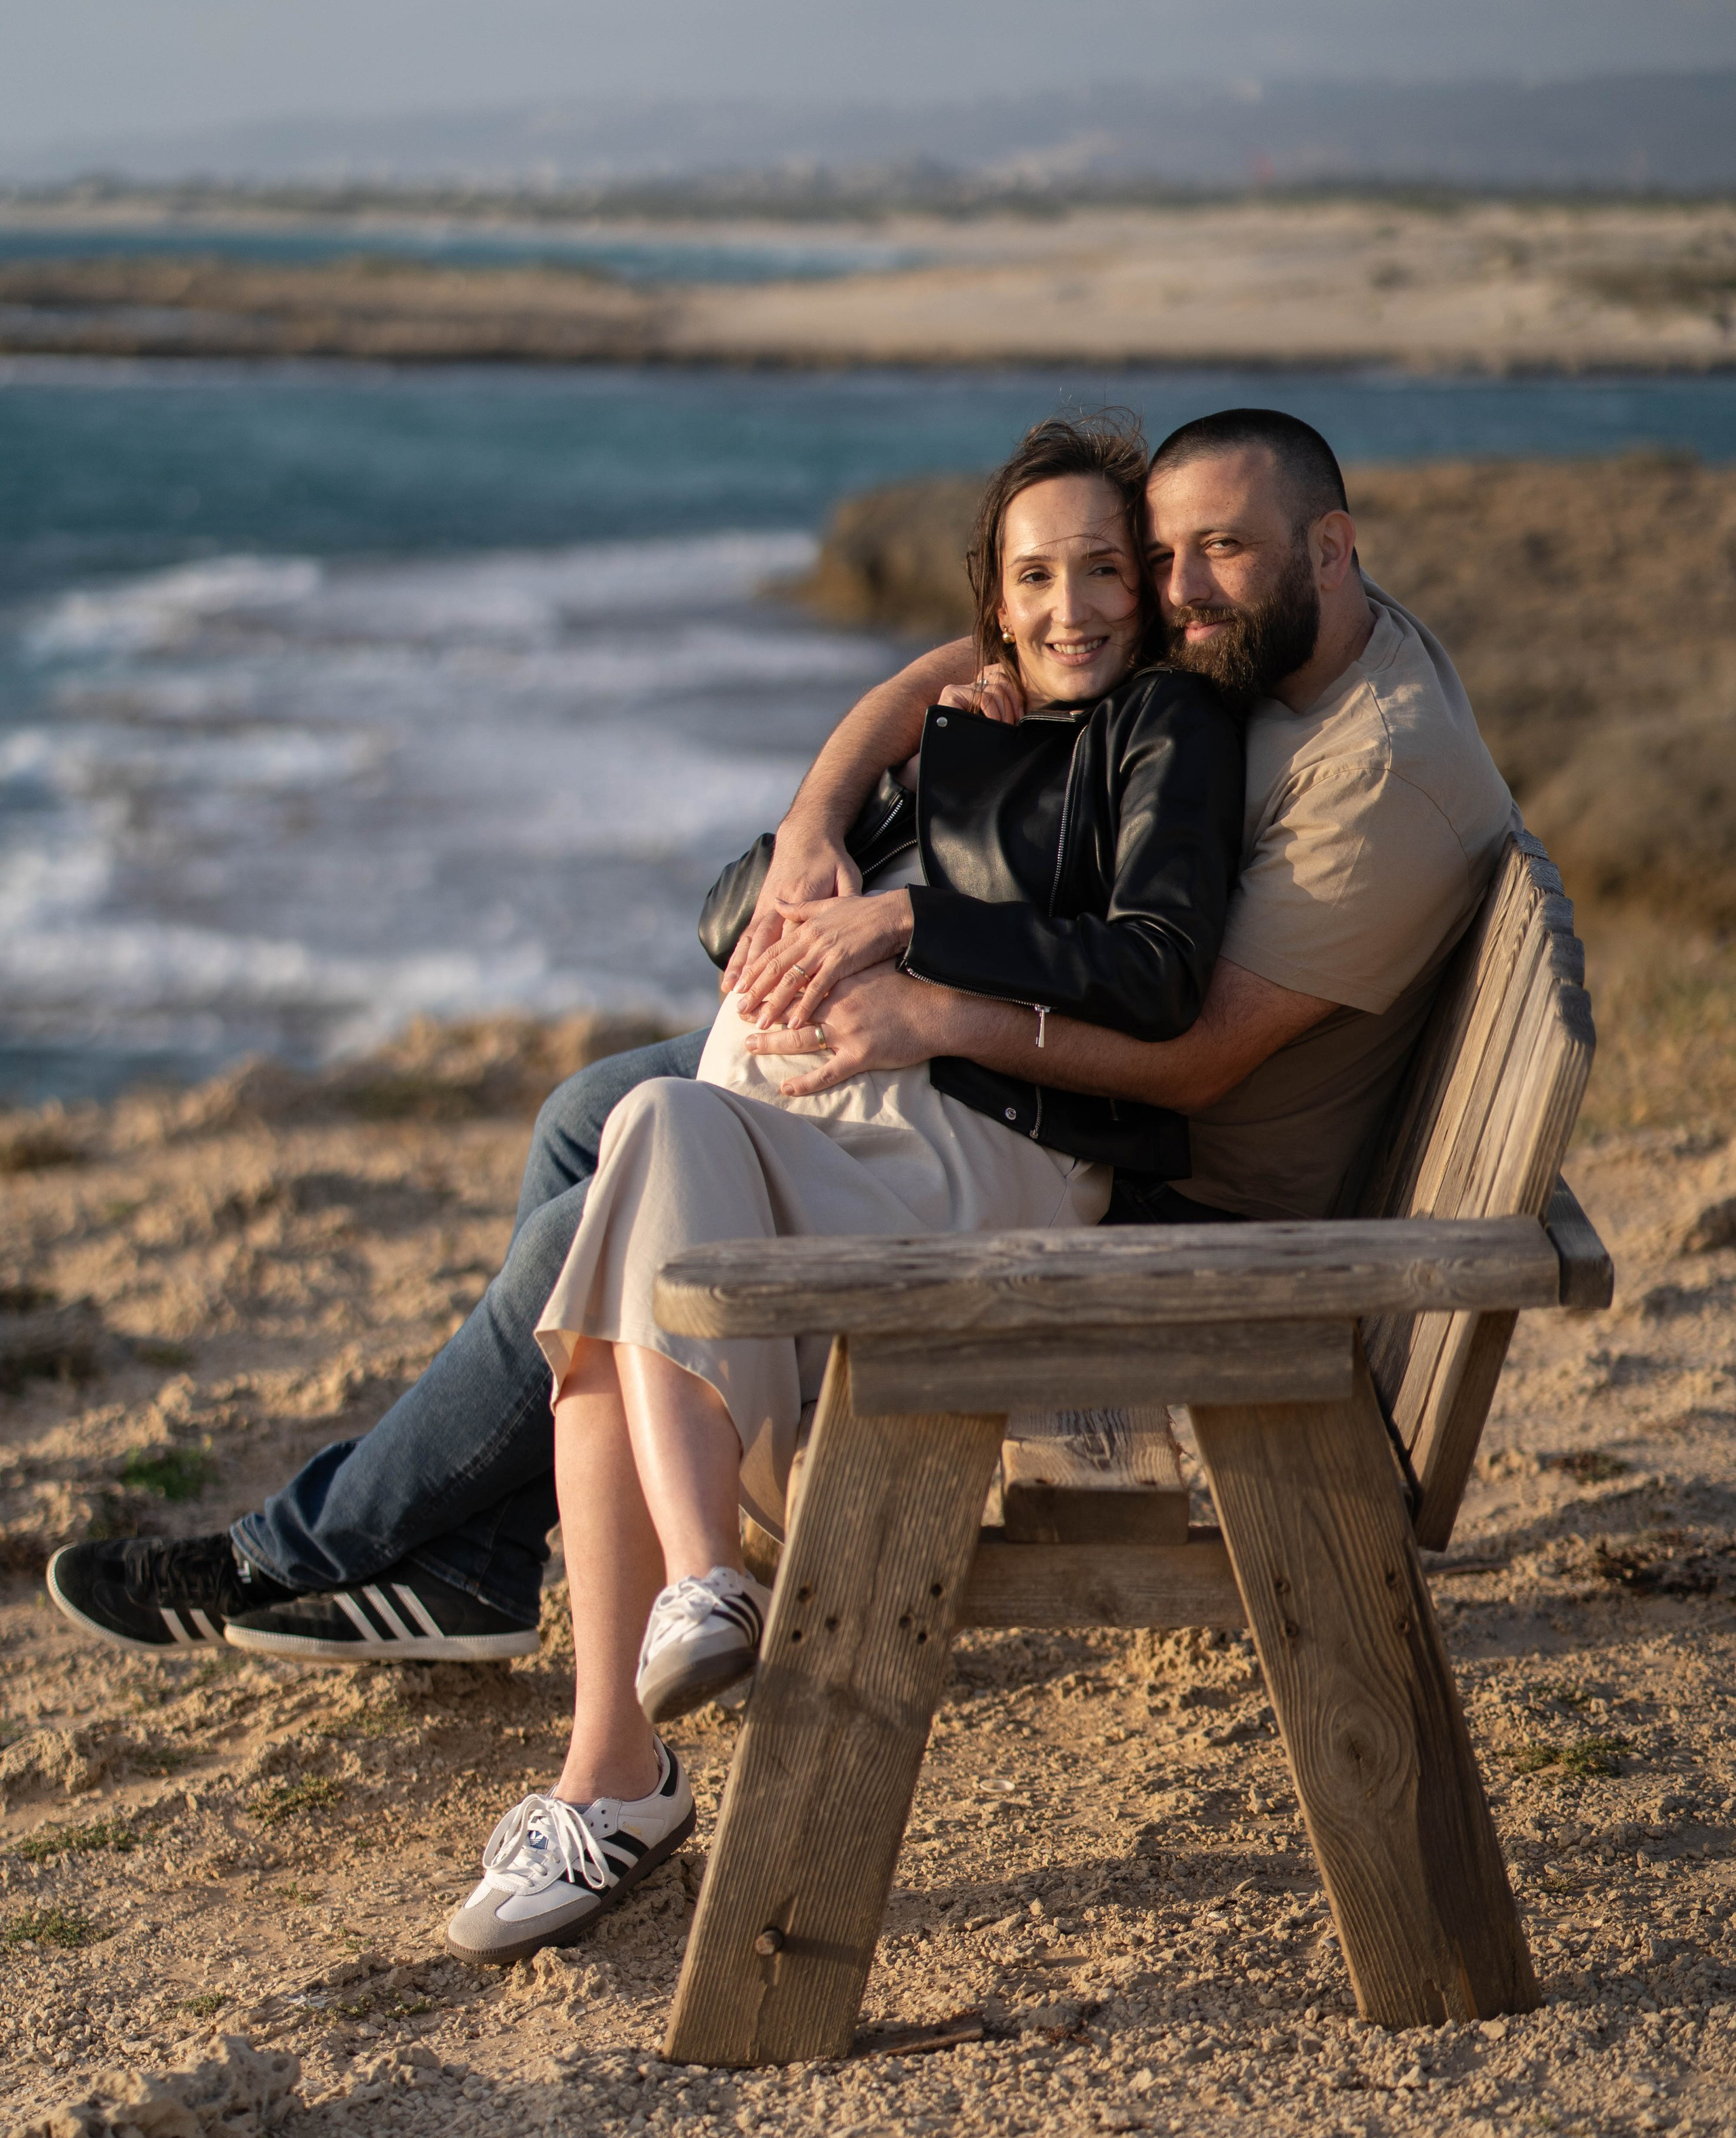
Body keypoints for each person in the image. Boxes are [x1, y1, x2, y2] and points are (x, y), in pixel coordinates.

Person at [48, 405, 1510, 1730]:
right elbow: (975, 659)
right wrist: (819, 823)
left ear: (1329, 548)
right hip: (1032, 1083)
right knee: (584, 1115)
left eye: (1215, 553)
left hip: (1181, 1211)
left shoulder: (1367, 767)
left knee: (596, 1219)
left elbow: (1183, 1055)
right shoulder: (1247, 645)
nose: (1182, 586)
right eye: (1168, 553)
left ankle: (303, 1555)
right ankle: (476, 1561)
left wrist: (922, 998)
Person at [441, 414, 1243, 1962]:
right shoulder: (974, 724)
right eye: (1034, 578)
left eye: (1101, 570)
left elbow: (1154, 970)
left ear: (1145, 591)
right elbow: (747, 906)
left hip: (990, 1171)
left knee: (621, 1229)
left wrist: (904, 926)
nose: (1072, 606)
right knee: (648, 1139)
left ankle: (621, 1762)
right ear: (991, 603)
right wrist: (850, 797)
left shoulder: (1167, 727)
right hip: (841, 1155)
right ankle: (684, 1621)